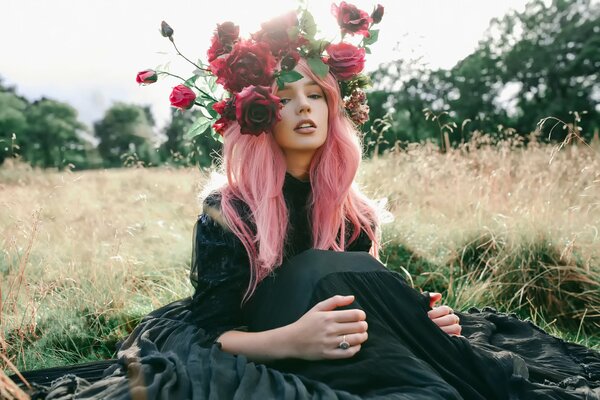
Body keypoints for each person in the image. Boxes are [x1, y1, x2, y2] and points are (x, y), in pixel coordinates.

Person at [11, 3, 600, 399]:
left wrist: (420, 316)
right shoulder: (229, 211)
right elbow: (214, 330)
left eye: (316, 95)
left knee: (415, 349)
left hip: (342, 337)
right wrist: (288, 342)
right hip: (269, 334)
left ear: (333, 107)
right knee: (319, 268)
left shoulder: (353, 208)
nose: (304, 108)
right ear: (256, 114)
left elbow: (363, 288)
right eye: (285, 97)